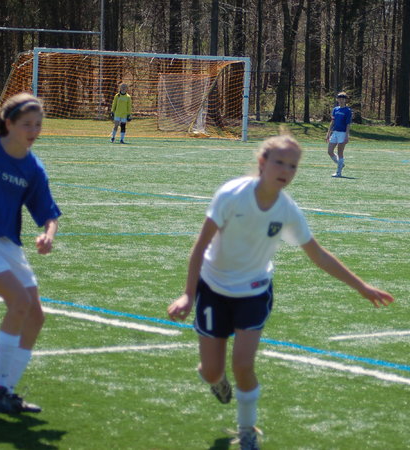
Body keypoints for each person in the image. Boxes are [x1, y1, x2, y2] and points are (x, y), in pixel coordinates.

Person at [167, 133, 393, 450]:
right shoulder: (232, 195)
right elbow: (200, 246)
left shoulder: (287, 210)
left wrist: (361, 286)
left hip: (254, 292)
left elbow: (318, 254)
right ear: (262, 162)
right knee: (212, 372)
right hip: (213, 289)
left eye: (293, 166)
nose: (286, 170)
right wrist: (188, 295)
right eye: (280, 162)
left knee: (243, 364)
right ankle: (217, 382)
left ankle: (247, 430)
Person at [0, 93, 62, 414]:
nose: (34, 131)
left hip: (6, 243)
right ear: (8, 123)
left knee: (35, 316)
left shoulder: (32, 167)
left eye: (38, 125)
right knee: (19, 302)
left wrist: (48, 235)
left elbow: (48, 213)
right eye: (27, 124)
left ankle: (6, 390)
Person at [326, 91, 352, 178]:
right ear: (337, 99)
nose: (341, 100)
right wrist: (328, 133)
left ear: (345, 100)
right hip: (335, 132)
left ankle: (338, 172)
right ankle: (340, 164)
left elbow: (348, 124)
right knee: (330, 151)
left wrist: (346, 136)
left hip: (342, 133)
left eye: (343, 99)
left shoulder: (348, 111)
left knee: (340, 152)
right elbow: (332, 122)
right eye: (339, 98)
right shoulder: (335, 109)